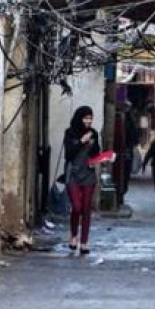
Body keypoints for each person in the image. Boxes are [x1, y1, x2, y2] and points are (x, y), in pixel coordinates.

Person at [63, 106, 101, 255]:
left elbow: (96, 153)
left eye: (90, 118)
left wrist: (100, 157)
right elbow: (68, 154)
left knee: (86, 208)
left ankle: (84, 241)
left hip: (88, 174)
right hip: (73, 173)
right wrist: (81, 141)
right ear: (79, 119)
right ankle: (74, 236)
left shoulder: (94, 133)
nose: (88, 121)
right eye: (85, 118)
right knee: (77, 207)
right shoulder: (70, 132)